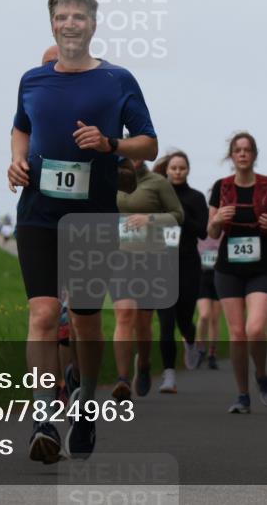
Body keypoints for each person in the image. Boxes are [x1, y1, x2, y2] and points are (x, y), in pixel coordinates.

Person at [9, 0, 158, 462]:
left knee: (86, 321)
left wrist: (111, 144)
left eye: (78, 16)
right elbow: (21, 127)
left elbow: (149, 143)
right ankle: (43, 418)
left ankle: (86, 405)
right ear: (52, 23)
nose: (69, 24)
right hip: (38, 213)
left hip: (92, 217)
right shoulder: (32, 80)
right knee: (43, 314)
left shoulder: (117, 80)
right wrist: (17, 161)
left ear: (93, 24)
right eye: (62, 16)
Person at [208, 132, 267, 413]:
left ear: (254, 154)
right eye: (237, 150)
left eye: (247, 150)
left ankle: (262, 375)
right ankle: (242, 395)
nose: (242, 154)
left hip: (261, 267)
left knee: (255, 329)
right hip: (228, 268)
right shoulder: (221, 187)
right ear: (231, 155)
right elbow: (211, 231)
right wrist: (217, 219)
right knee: (238, 333)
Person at [114, 159, 184, 400]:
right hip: (120, 257)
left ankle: (143, 363)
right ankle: (122, 380)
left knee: (143, 323)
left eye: (138, 152)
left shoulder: (158, 182)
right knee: (124, 314)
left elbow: (178, 216)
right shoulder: (109, 177)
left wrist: (150, 219)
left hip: (151, 259)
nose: (133, 157)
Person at [152, 151, 208, 392]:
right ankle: (169, 376)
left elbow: (203, 232)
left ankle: (191, 341)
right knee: (166, 323)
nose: (177, 172)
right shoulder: (157, 196)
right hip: (161, 264)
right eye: (173, 168)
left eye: (181, 168)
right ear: (166, 170)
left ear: (188, 170)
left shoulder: (196, 197)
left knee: (184, 319)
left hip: (187, 264)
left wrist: (180, 215)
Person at [196, 233, 223, 369]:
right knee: (204, 315)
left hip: (219, 275)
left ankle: (212, 354)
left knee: (215, 319)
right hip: (201, 274)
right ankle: (200, 348)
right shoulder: (199, 227)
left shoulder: (223, 228)